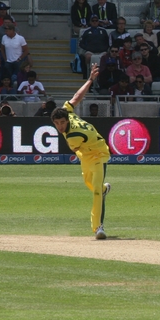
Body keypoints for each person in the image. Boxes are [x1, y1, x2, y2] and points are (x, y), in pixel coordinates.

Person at [50, 65, 111, 240]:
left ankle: (98, 227)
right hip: (85, 154)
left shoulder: (72, 137)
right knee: (91, 185)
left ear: (66, 119)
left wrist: (91, 80)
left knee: (97, 192)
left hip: (98, 153)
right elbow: (78, 97)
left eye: (62, 122)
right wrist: (90, 80)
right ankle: (104, 189)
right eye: (57, 124)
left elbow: (75, 148)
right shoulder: (66, 110)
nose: (61, 126)